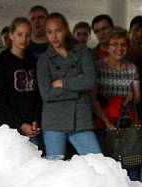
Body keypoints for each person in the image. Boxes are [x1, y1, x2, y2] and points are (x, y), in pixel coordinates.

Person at [37, 12, 100, 159]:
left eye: (58, 30)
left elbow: (90, 81)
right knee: (55, 167)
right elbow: (46, 94)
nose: (54, 36)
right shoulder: (44, 59)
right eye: (49, 32)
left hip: (80, 118)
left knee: (98, 163)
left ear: (65, 29)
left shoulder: (82, 51)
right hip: (54, 120)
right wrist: (78, 87)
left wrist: (62, 83)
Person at [90, 27, 141, 180]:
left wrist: (132, 98)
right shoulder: (98, 67)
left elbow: (137, 97)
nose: (119, 48)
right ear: (107, 46)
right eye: (115, 44)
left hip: (126, 122)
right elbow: (92, 98)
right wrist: (106, 122)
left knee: (131, 166)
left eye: (123, 44)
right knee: (107, 169)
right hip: (103, 123)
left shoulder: (132, 68)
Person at [0, 18, 42, 147]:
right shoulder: (2, 61)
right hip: (10, 126)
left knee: (35, 163)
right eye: (20, 34)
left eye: (27, 35)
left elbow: (38, 96)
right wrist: (20, 124)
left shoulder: (33, 61)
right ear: (11, 35)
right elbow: (0, 99)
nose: (24, 39)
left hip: (32, 126)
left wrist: (35, 120)